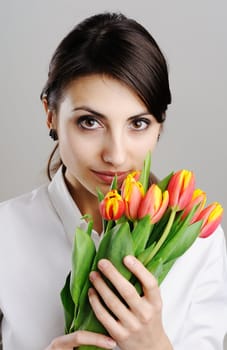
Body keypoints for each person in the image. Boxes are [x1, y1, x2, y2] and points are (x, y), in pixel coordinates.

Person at [0, 11, 227, 350]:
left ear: (159, 124)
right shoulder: (5, 232)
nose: (116, 155)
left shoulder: (198, 242)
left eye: (138, 123)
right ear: (50, 113)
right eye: (90, 122)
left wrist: (155, 346)